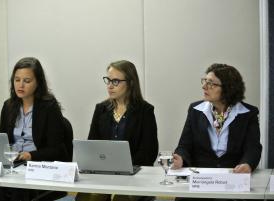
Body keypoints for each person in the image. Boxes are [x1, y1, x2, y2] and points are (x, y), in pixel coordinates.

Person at [0, 57, 69, 201]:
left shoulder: (49, 107)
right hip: (14, 164)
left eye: (27, 81)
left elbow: (57, 149)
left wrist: (31, 155)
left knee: (18, 189)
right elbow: (2, 141)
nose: (20, 85)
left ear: (38, 83)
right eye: (17, 80)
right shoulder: (8, 106)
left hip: (38, 166)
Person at [172, 63, 262, 201]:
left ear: (228, 88)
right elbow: (184, 145)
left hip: (232, 181)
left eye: (211, 83)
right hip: (201, 181)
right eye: (204, 81)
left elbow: (253, 148)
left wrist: (247, 164)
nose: (204, 87)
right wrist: (180, 159)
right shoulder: (195, 110)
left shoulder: (248, 114)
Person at [76, 60, 158, 201]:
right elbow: (92, 145)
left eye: (115, 81)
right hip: (103, 174)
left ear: (131, 83)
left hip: (135, 176)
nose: (109, 86)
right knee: (88, 198)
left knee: (122, 199)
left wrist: (124, 168)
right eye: (108, 80)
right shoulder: (101, 109)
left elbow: (149, 152)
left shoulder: (145, 111)